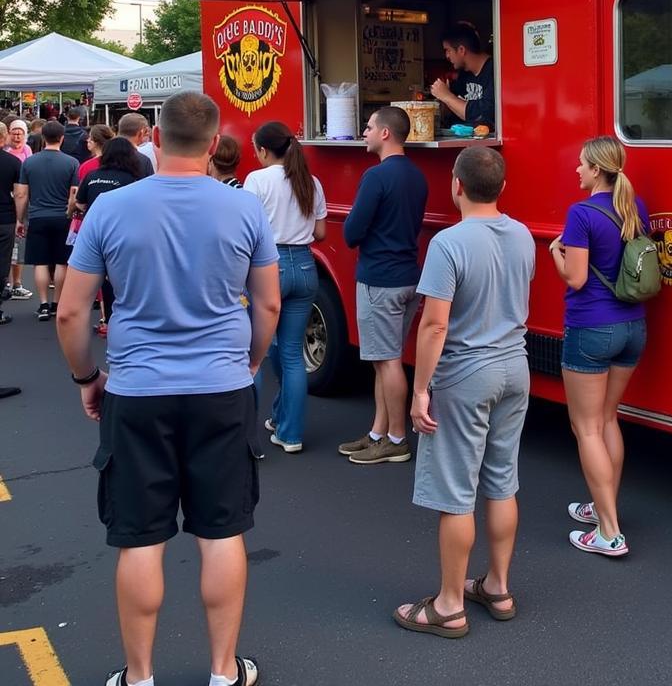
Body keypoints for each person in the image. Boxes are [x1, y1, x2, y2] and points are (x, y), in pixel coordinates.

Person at [56, 90, 281, 686]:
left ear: (156, 140)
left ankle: (139, 676)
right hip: (222, 388)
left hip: (137, 389)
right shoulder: (244, 210)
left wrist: (88, 378)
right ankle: (224, 672)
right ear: (213, 145)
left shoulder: (111, 208)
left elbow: (71, 315)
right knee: (222, 532)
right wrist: (251, 363)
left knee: (140, 540)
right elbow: (268, 303)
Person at [394, 146, 534, 638]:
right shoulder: (522, 235)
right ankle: (497, 585)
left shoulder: (448, 243)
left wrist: (419, 390)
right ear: (502, 188)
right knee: (502, 481)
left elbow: (434, 325)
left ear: (456, 185)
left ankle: (449, 605)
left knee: (457, 494)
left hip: (465, 374)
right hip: (515, 368)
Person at [548, 136, 650, 558]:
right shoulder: (634, 207)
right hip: (633, 328)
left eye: (580, 164)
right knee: (608, 420)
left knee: (585, 427)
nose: (576, 169)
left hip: (591, 329)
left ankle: (609, 532)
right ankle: (601, 505)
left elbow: (575, 279)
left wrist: (556, 252)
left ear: (596, 170)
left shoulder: (581, 214)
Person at [339, 106, 428, 465]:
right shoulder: (417, 176)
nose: (364, 132)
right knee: (383, 360)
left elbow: (351, 233)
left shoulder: (376, 177)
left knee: (388, 361)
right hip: (409, 276)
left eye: (369, 126)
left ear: (386, 134)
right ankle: (377, 432)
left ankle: (396, 438)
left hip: (380, 279)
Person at [244, 122, 327, 454]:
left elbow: (246, 229)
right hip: (306, 266)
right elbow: (320, 233)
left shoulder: (256, 180)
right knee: (292, 352)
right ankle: (289, 432)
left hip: (268, 267)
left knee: (255, 353)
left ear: (264, 151)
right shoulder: (311, 181)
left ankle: (246, 435)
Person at [76, 138, 145, 334]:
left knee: (101, 278)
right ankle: (127, 318)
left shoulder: (92, 175)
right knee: (125, 277)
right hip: (126, 233)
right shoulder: (133, 178)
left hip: (95, 233)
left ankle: (106, 320)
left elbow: (79, 204)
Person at [14, 120, 79, 321]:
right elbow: (73, 194)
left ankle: (42, 304)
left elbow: (22, 194)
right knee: (61, 262)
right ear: (62, 138)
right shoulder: (71, 162)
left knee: (40, 262)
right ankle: (57, 303)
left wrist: (20, 219)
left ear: (42, 138)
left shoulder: (29, 162)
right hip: (62, 217)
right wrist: (69, 213)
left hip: (38, 216)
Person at [429, 22, 496, 132]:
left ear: (461, 50)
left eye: (448, 50)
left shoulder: (494, 71)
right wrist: (442, 99)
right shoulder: (464, 74)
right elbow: (454, 112)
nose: (447, 56)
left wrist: (446, 96)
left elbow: (481, 114)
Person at [3, 119, 32, 301]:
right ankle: (5, 282)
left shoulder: (28, 152)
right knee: (6, 247)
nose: (17, 135)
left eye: (20, 132)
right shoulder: (6, 154)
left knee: (17, 246)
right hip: (8, 203)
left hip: (21, 204)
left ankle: (17, 283)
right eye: (14, 131)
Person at [0, 122, 21, 328]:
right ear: (4, 137)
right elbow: (20, 194)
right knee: (2, 261)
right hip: (4, 217)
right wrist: (20, 218)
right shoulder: (13, 162)